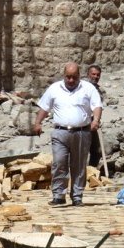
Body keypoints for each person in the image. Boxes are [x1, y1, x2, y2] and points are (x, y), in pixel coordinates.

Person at [33, 62, 103, 206]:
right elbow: (44, 107)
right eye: (68, 77)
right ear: (64, 75)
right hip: (60, 132)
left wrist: (96, 120)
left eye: (74, 77)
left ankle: (77, 195)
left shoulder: (88, 88)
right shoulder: (54, 89)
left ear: (79, 75)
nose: (71, 80)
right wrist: (38, 122)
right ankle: (59, 195)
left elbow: (97, 105)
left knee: (78, 165)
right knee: (59, 163)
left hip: (82, 132)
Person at [87, 64, 104, 168]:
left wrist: (97, 120)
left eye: (98, 75)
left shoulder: (98, 90)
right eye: (93, 74)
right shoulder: (84, 88)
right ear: (88, 74)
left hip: (94, 122)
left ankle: (91, 173)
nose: (95, 77)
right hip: (84, 122)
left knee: (96, 151)